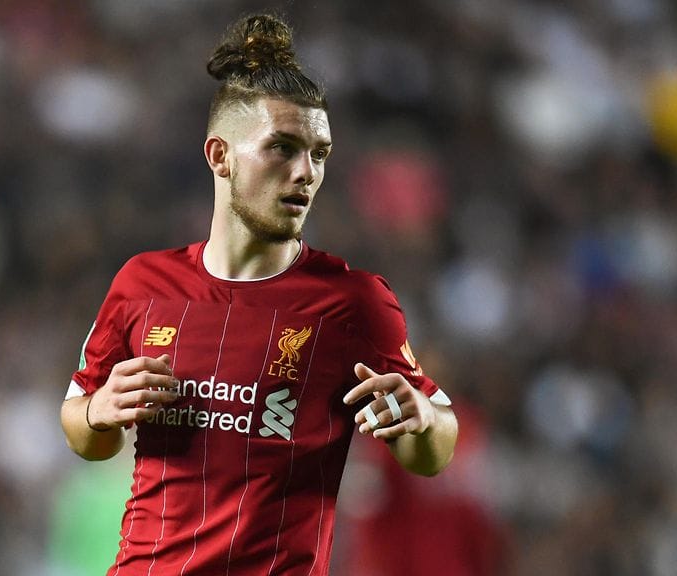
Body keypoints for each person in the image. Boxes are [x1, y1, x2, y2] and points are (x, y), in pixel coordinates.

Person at [59, 12, 458, 576]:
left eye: (319, 153)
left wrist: (422, 422)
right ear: (219, 155)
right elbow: (85, 432)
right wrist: (98, 411)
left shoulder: (353, 302)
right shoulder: (142, 285)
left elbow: (433, 450)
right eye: (282, 148)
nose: (306, 172)